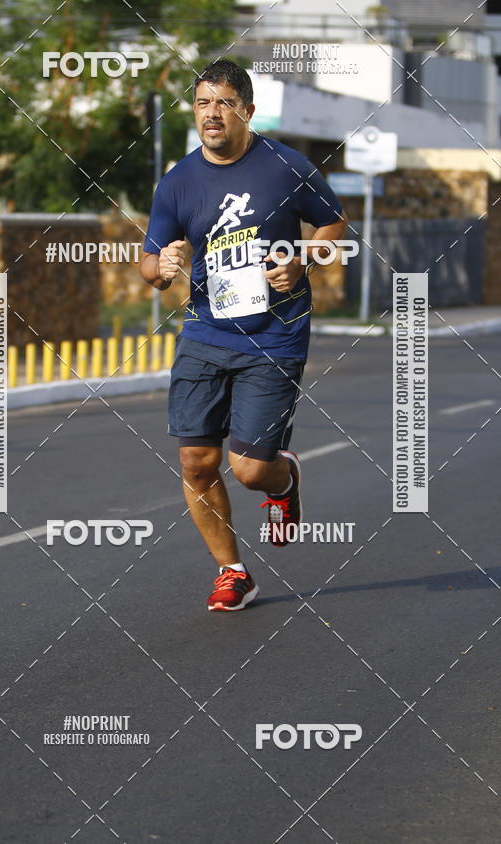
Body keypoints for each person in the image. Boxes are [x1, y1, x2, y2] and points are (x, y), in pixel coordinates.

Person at [140, 59, 348, 611]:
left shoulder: (285, 166)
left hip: (276, 334)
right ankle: (233, 572)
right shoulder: (178, 182)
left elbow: (333, 222)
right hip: (206, 332)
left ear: (247, 111)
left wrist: (303, 257)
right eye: (204, 102)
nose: (213, 113)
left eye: (225, 103)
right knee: (196, 463)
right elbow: (149, 264)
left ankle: (282, 482)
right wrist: (162, 268)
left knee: (250, 468)